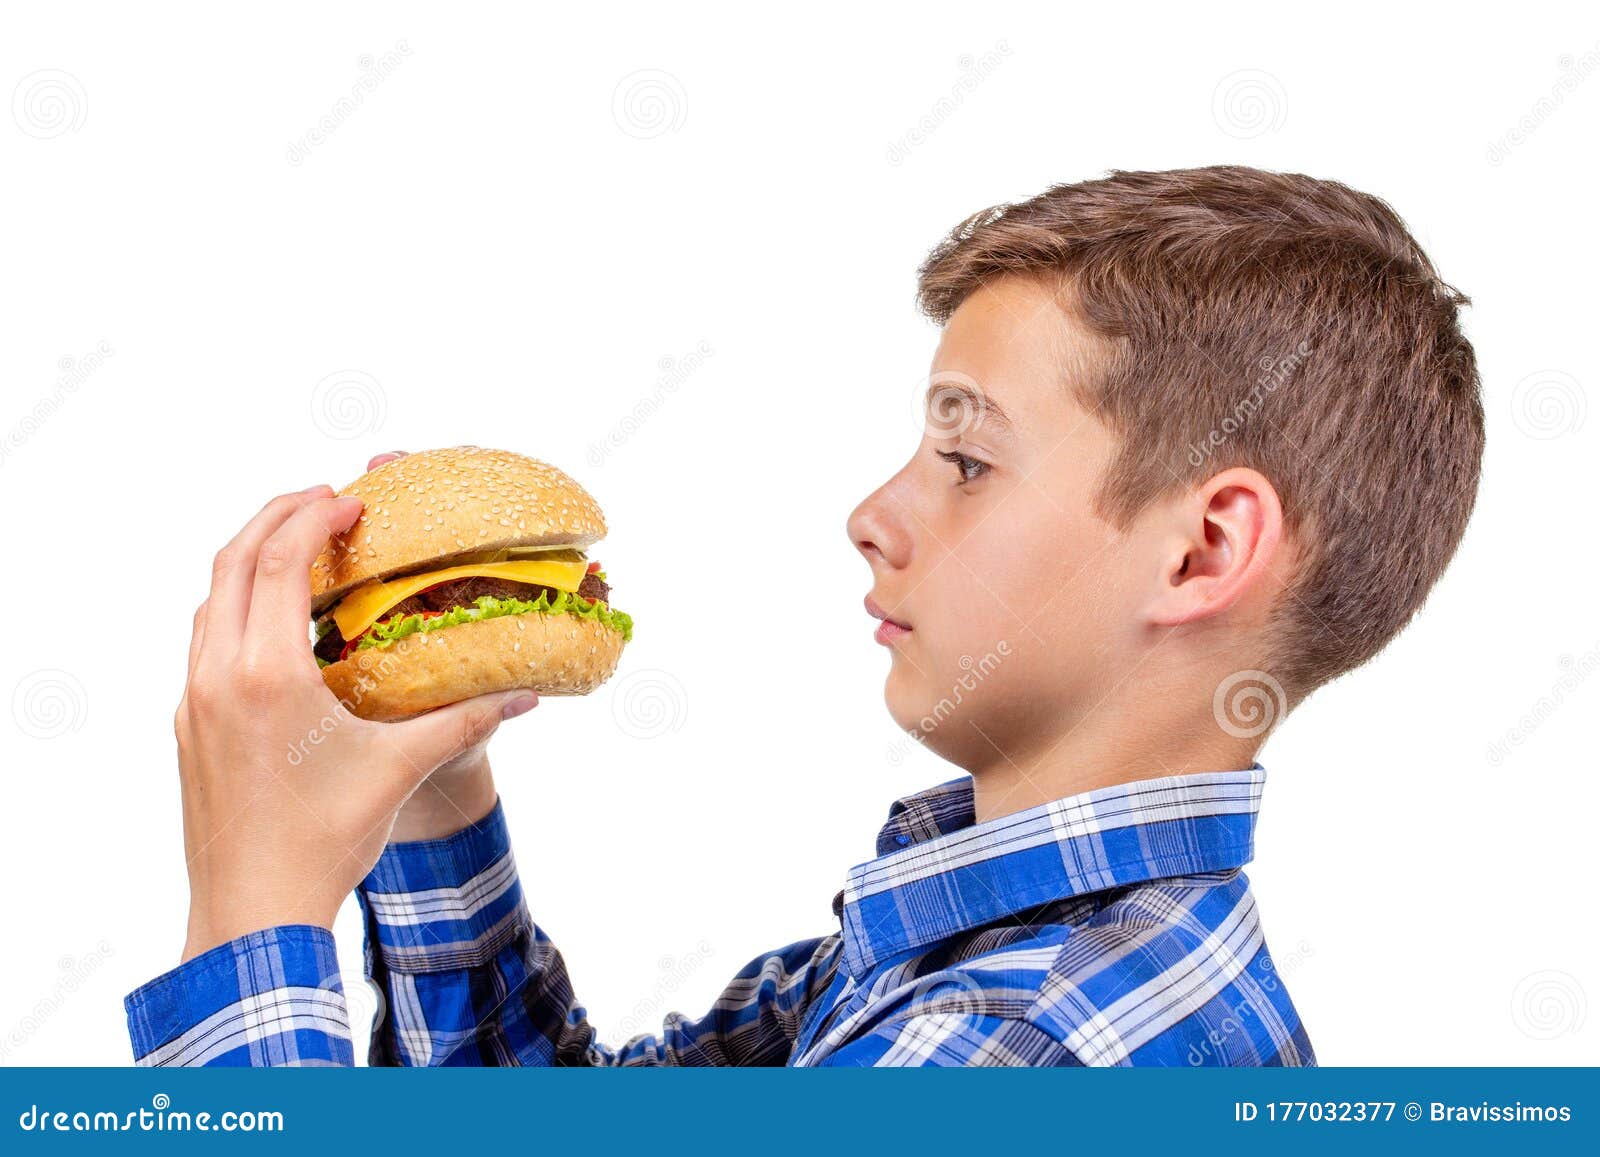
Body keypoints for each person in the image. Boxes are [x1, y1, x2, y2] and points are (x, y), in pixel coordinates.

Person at [124, 166, 1483, 1066]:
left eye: (965, 460)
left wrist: (254, 908)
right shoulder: (966, 952)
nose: (872, 512)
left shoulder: (1004, 1049)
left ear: (1203, 549)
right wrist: (439, 780)